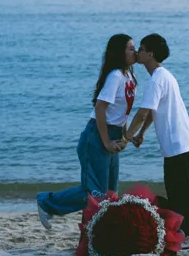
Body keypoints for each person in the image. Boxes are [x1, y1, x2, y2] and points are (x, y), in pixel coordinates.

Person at [36, 34, 137, 228]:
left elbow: (121, 111)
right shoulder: (115, 76)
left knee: (109, 194)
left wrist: (126, 136)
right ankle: (46, 202)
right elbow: (100, 108)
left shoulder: (129, 76)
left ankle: (99, 233)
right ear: (120, 52)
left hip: (113, 134)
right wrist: (106, 142)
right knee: (95, 193)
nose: (135, 51)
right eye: (131, 48)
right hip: (97, 136)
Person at [124, 34, 189, 248]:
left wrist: (125, 138)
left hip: (177, 142)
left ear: (150, 54)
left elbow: (142, 113)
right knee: (178, 190)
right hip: (181, 141)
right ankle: (187, 232)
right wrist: (142, 133)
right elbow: (153, 112)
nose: (138, 52)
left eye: (141, 49)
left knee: (182, 192)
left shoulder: (156, 80)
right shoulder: (163, 75)